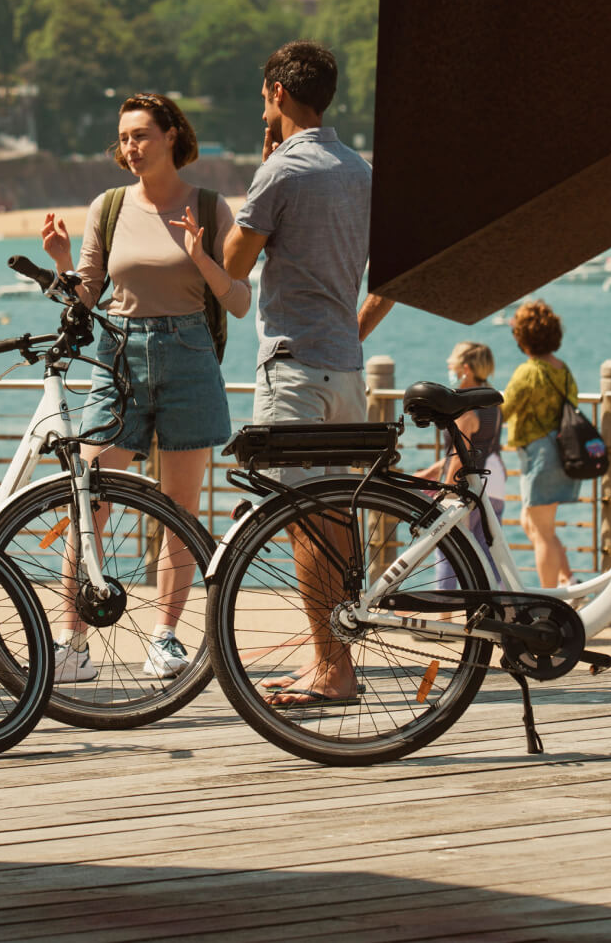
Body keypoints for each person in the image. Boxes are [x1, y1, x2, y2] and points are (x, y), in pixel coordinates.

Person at [42, 92, 251, 683]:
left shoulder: (211, 207)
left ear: (171, 137)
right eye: (124, 138)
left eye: (141, 136)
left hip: (189, 358)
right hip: (118, 356)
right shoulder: (107, 207)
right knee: (91, 500)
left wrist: (199, 255)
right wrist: (61, 264)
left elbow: (237, 300)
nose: (130, 148)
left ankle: (164, 637)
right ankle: (72, 643)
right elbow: (82, 300)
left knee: (181, 509)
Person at [223, 40, 381, 707]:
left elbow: (232, 263)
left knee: (301, 522)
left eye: (266, 97)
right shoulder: (360, 170)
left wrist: (262, 170)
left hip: (294, 369)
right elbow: (391, 282)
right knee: (338, 521)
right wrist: (350, 327)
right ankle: (337, 660)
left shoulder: (281, 172)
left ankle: (332, 671)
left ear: (279, 95)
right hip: (347, 368)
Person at [501, 300, 580, 589]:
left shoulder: (529, 372)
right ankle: (569, 579)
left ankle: (550, 602)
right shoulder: (564, 370)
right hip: (561, 453)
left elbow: (503, 410)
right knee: (531, 523)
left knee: (543, 532)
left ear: (522, 337)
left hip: (539, 456)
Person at [416, 341, 506, 588]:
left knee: (447, 549)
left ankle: (444, 617)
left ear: (465, 368)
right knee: (487, 551)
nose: (449, 365)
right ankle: (495, 606)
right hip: (495, 479)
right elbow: (480, 446)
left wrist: (444, 487)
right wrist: (431, 470)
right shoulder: (492, 402)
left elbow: (459, 455)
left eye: (452, 362)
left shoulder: (466, 409)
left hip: (469, 484)